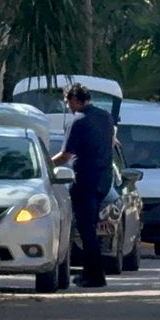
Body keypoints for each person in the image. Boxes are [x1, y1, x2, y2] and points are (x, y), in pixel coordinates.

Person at [50, 83, 115, 288]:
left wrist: (46, 165)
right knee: (90, 228)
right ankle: (90, 273)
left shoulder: (78, 121)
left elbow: (65, 155)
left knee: (86, 230)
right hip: (104, 180)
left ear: (74, 99)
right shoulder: (105, 117)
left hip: (86, 180)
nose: (68, 106)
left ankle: (95, 276)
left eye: (68, 102)